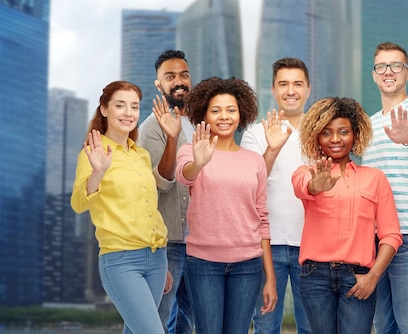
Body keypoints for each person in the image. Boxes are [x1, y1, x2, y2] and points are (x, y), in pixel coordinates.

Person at [175, 77, 278, 333]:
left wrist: (271, 278)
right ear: (204, 115)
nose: (224, 116)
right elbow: (184, 175)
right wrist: (200, 162)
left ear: (241, 114)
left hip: (248, 264)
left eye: (231, 110)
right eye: (216, 110)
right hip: (203, 262)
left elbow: (262, 219)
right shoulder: (191, 151)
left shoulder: (254, 161)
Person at [292, 97, 403, 334]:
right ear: (316, 137)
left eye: (343, 132)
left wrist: (373, 277)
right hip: (315, 277)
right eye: (327, 133)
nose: (335, 139)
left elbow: (391, 235)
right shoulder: (307, 172)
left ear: (355, 135)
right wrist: (316, 185)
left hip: (359, 278)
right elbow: (303, 186)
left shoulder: (375, 178)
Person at [71, 81, 172, 334]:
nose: (128, 113)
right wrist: (98, 172)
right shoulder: (92, 153)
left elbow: (149, 209)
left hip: (156, 258)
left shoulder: (141, 155)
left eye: (134, 107)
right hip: (121, 260)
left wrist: (163, 262)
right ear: (104, 109)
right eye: (120, 105)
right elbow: (78, 204)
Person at [360, 41, 408, 334]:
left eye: (396, 66)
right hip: (373, 236)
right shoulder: (366, 124)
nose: (388, 71)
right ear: (374, 75)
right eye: (381, 66)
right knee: (383, 324)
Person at [240, 57, 312, 334]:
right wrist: (271, 149)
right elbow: (248, 183)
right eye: (283, 84)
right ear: (273, 89)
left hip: (312, 246)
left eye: (297, 84)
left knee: (312, 326)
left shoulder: (321, 133)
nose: (290, 90)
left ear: (308, 89)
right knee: (266, 327)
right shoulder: (255, 133)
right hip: (265, 246)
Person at [137, 49, 194, 334]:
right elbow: (162, 182)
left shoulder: (200, 123)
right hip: (168, 243)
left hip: (199, 243)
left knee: (186, 322)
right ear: (159, 84)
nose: (179, 81)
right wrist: (171, 139)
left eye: (184, 75)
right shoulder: (150, 128)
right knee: (157, 320)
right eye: (170, 76)